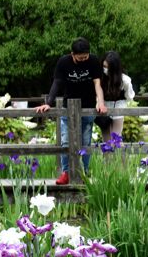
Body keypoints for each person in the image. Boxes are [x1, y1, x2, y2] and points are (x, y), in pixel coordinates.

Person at [34, 37, 107, 185]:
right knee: (66, 141)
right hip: (68, 107)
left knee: (85, 142)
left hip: (88, 107)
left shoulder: (93, 61)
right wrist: (48, 103)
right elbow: (57, 82)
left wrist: (101, 102)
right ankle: (66, 173)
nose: (83, 60)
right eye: (80, 58)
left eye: (85, 57)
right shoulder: (63, 62)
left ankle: (85, 172)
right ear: (72, 54)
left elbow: (97, 84)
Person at [101, 51, 135, 138]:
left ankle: (119, 152)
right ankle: (107, 152)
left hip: (119, 107)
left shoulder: (124, 80)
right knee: (106, 139)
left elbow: (129, 96)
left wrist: (122, 103)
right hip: (103, 108)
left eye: (108, 68)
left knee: (116, 138)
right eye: (104, 66)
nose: (106, 70)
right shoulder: (100, 77)